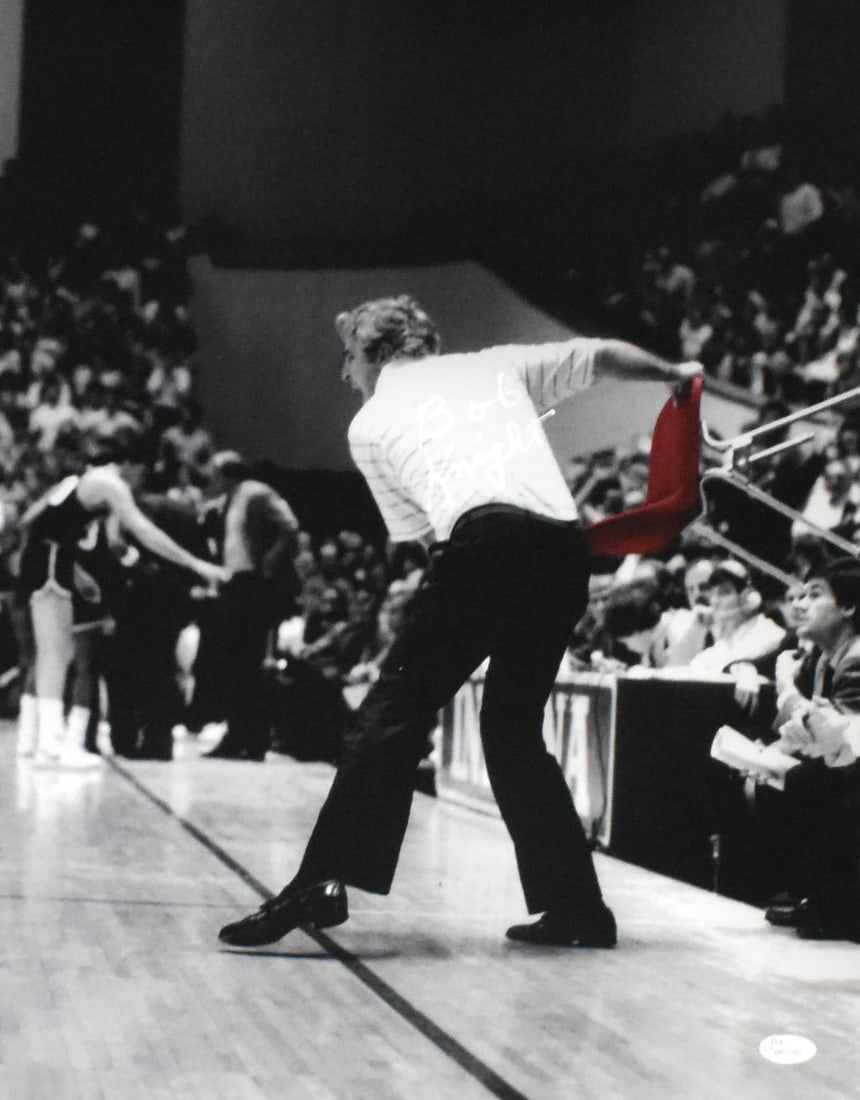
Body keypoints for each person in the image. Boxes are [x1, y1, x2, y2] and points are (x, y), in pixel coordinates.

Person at [219, 294, 703, 949]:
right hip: (564, 551)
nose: (343, 375)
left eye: (346, 357)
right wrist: (676, 372)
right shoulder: (495, 365)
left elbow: (428, 542)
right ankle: (578, 910)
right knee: (510, 730)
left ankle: (320, 879)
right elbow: (606, 356)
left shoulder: (370, 423)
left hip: (481, 543)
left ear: (374, 352)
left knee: (391, 710)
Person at [15, 431, 225, 765]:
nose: (140, 479)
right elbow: (145, 532)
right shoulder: (111, 484)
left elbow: (30, 520)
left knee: (54, 653)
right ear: (130, 464)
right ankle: (51, 748)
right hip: (53, 561)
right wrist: (197, 564)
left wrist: (69, 565)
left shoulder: (77, 480)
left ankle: (46, 743)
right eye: (142, 471)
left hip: (47, 560)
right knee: (56, 654)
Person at [197, 450, 300, 761]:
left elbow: (290, 526)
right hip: (236, 583)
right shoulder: (230, 498)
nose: (211, 480)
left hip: (255, 584)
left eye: (215, 473)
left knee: (249, 663)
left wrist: (271, 559)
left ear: (228, 473)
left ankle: (253, 739)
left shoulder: (256, 493)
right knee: (234, 663)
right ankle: (238, 734)